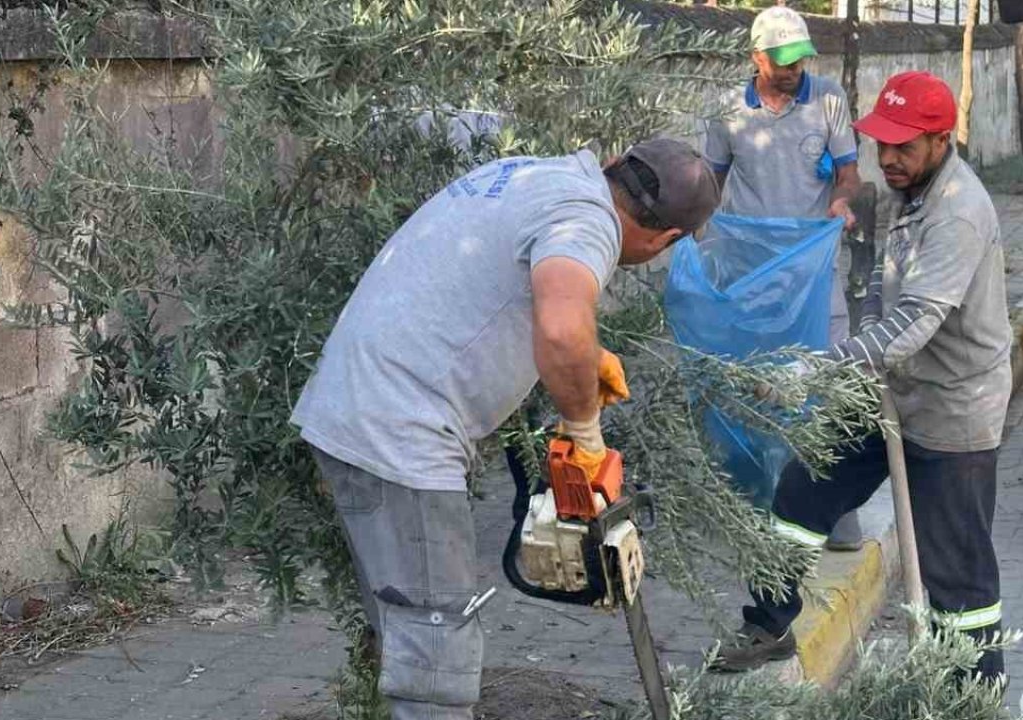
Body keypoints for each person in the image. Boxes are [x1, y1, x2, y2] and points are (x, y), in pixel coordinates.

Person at [290, 139, 720, 719]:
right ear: (666, 239)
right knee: (435, 651)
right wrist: (585, 433)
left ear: (617, 163)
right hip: (403, 432)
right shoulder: (588, 221)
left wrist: (588, 358)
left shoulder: (538, 176)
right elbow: (563, 331)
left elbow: (491, 291)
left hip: (357, 408)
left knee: (411, 634)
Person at [713, 71, 1012, 680]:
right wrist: (862, 307)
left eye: (905, 146)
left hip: (953, 407)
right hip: (888, 389)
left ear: (940, 139)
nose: (890, 158)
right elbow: (882, 289)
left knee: (954, 573)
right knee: (803, 489)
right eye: (883, 144)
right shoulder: (908, 191)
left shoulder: (958, 211)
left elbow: (912, 325)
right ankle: (768, 622)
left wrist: (815, 368)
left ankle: (968, 696)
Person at [703, 5, 866, 551]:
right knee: (756, 379)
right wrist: (691, 240)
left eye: (801, 60)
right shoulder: (727, 110)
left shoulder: (828, 99)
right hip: (753, 272)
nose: (794, 70)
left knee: (829, 374)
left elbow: (849, 173)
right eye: (783, 60)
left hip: (815, 268)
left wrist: (841, 202)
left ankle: (838, 511)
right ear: (758, 58)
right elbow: (711, 183)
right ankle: (757, 498)